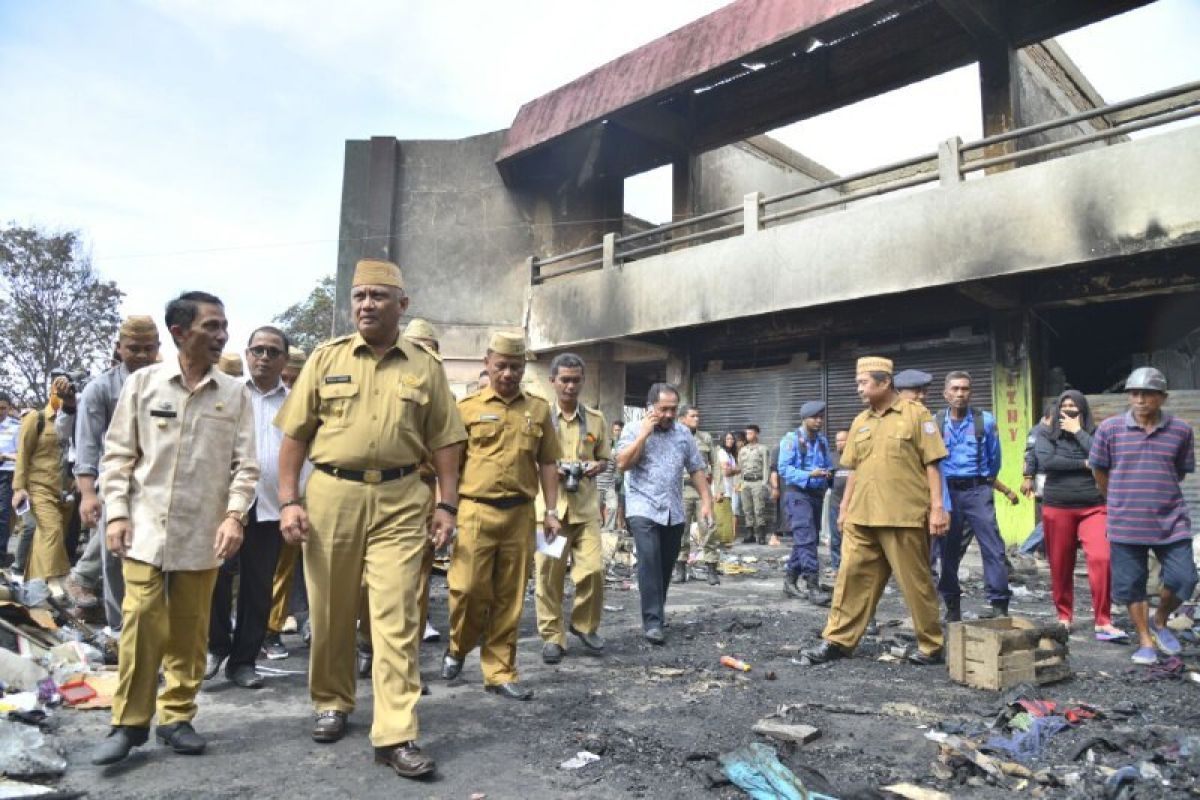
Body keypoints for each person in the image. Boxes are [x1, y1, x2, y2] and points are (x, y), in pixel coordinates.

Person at [275, 260, 464, 779]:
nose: (365, 305)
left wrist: (447, 505)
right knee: (331, 608)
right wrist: (289, 500)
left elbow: (447, 441)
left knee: (397, 614)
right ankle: (332, 702)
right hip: (332, 493)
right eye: (359, 295)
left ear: (401, 305)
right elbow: (294, 436)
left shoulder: (424, 368)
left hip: (403, 497)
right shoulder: (324, 358)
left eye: (378, 296)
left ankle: (396, 732)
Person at [90, 291, 259, 765]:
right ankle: (128, 723)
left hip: (204, 531)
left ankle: (177, 718)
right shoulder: (144, 384)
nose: (221, 335)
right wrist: (117, 512)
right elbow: (119, 455)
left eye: (224, 326)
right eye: (211, 326)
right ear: (180, 332)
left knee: (190, 627)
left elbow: (245, 466)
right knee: (142, 620)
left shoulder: (234, 394)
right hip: (144, 527)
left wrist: (234, 516)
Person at [803, 357, 948, 666]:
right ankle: (838, 641)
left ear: (884, 382)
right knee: (850, 578)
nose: (858, 389)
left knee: (916, 582)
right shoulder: (860, 421)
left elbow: (933, 463)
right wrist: (843, 507)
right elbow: (854, 468)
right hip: (862, 515)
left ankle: (931, 645)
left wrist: (938, 508)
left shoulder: (916, 415)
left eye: (863, 383)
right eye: (858, 383)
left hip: (903, 515)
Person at [443, 332, 560, 701]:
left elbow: (548, 462)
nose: (508, 373)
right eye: (501, 366)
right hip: (475, 509)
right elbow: (450, 465)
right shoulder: (466, 408)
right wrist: (444, 509)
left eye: (515, 367)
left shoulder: (539, 409)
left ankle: (500, 671)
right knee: (468, 589)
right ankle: (458, 645)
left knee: (509, 597)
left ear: (524, 367)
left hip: (521, 514)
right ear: (487, 364)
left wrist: (551, 512)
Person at [206, 326, 295, 689]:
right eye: (258, 350)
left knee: (259, 587)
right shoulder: (227, 395)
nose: (264, 358)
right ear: (246, 355)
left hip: (272, 506)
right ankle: (216, 645)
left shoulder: (295, 402)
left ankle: (243, 661)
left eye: (273, 352)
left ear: (284, 360)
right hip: (225, 506)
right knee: (216, 575)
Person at [1090, 366, 1196, 665]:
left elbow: (1178, 472)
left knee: (1184, 577)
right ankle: (1145, 640)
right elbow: (1099, 469)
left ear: (1162, 397)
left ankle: (1160, 620)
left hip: (1171, 522)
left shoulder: (1181, 431)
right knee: (1131, 585)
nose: (1140, 400)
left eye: (1147, 394)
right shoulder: (1109, 429)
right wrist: (1116, 498)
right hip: (1126, 522)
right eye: (1134, 393)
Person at [615, 383, 712, 645]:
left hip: (673, 510)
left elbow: (696, 468)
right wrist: (643, 435)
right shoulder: (633, 429)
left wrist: (706, 501)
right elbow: (622, 464)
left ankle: (657, 612)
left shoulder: (683, 434)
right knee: (649, 560)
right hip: (642, 507)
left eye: (673, 409)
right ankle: (653, 622)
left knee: (665, 565)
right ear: (650, 409)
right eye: (663, 409)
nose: (669, 414)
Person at [535, 353, 610, 664]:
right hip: (550, 512)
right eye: (564, 379)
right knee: (548, 574)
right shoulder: (539, 417)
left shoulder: (595, 419)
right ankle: (552, 637)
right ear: (553, 381)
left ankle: (584, 625)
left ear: (583, 381)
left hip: (585, 509)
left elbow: (606, 457)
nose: (570, 386)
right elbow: (529, 458)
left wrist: (596, 465)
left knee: (593, 570)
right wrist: (554, 469)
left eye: (575, 380)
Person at [1034, 391, 1123, 641]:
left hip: (1094, 506)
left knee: (1102, 558)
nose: (1069, 410)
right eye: (1065, 406)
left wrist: (1077, 432)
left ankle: (1103, 620)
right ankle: (1064, 616)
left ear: (1083, 411)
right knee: (1060, 565)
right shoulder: (1044, 433)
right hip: (1057, 506)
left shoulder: (1094, 434)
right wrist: (1085, 464)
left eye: (1075, 407)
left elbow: (1103, 457)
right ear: (1057, 408)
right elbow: (1047, 462)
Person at [936, 371, 1011, 621]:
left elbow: (995, 459)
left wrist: (984, 484)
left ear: (971, 392)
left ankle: (999, 605)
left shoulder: (985, 421)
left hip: (978, 491)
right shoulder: (935, 423)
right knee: (947, 551)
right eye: (955, 389)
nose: (960, 394)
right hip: (947, 492)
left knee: (993, 547)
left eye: (965, 389)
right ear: (946, 393)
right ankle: (952, 606)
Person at [264, 346, 310, 659]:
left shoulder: (312, 401)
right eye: (286, 378)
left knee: (287, 569)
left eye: (297, 378)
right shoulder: (265, 402)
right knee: (264, 570)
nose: (291, 385)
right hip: (267, 499)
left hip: (309, 499)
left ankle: (274, 628)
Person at [11, 376, 75, 588]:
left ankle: (36, 584)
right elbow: (22, 454)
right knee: (51, 530)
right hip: (38, 487)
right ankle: (54, 582)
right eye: (58, 393)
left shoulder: (74, 419)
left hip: (64, 491)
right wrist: (19, 488)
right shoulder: (35, 419)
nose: (61, 397)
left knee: (47, 538)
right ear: (51, 393)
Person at [778, 401, 833, 605]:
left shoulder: (822, 442)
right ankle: (813, 586)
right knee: (807, 537)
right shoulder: (791, 440)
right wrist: (809, 474)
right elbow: (784, 469)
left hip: (816, 494)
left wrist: (828, 474)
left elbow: (828, 464)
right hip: (797, 493)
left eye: (821, 417)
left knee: (807, 539)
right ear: (804, 418)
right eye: (814, 417)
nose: (819, 421)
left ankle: (789, 581)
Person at [674, 405, 722, 585]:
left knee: (709, 527)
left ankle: (711, 568)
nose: (697, 419)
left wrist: (718, 488)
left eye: (697, 416)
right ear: (682, 419)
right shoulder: (674, 437)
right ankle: (680, 569)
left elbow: (716, 464)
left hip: (703, 490)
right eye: (692, 416)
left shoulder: (705, 438)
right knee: (681, 530)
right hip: (681, 490)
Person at [737, 424, 772, 544]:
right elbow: (740, 468)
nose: (748, 435)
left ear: (756, 434)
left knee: (759, 509)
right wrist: (739, 483)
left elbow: (766, 467)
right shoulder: (742, 450)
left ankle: (761, 535)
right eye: (747, 433)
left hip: (758, 482)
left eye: (750, 433)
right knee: (747, 509)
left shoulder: (763, 449)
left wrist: (764, 483)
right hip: (745, 482)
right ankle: (750, 534)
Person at [0, 393, 20, 567]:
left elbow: (22, 454)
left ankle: (1, 553)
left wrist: (5, 456)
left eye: (3, 408)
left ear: (9, 409)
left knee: (2, 514)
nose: (0, 412)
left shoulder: (15, 427)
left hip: (6, 474)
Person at [826, 430, 850, 576]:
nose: (839, 443)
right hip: (835, 502)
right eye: (837, 441)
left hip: (853, 504)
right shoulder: (832, 458)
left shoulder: (855, 457)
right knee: (835, 537)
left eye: (843, 440)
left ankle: (851, 567)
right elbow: (829, 482)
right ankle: (836, 566)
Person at [601, 420, 625, 533]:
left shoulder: (624, 443)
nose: (617, 432)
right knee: (598, 506)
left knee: (616, 505)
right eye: (615, 430)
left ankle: (611, 528)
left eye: (619, 430)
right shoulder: (604, 445)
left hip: (616, 479)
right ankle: (601, 527)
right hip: (599, 482)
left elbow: (621, 463)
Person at [718, 431, 741, 544]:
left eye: (732, 439)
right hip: (722, 489)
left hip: (729, 489)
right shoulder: (722, 453)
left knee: (728, 516)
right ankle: (722, 541)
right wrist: (737, 469)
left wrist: (733, 470)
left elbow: (729, 470)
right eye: (727, 439)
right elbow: (726, 472)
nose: (730, 441)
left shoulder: (730, 455)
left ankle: (726, 541)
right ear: (723, 440)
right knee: (722, 516)